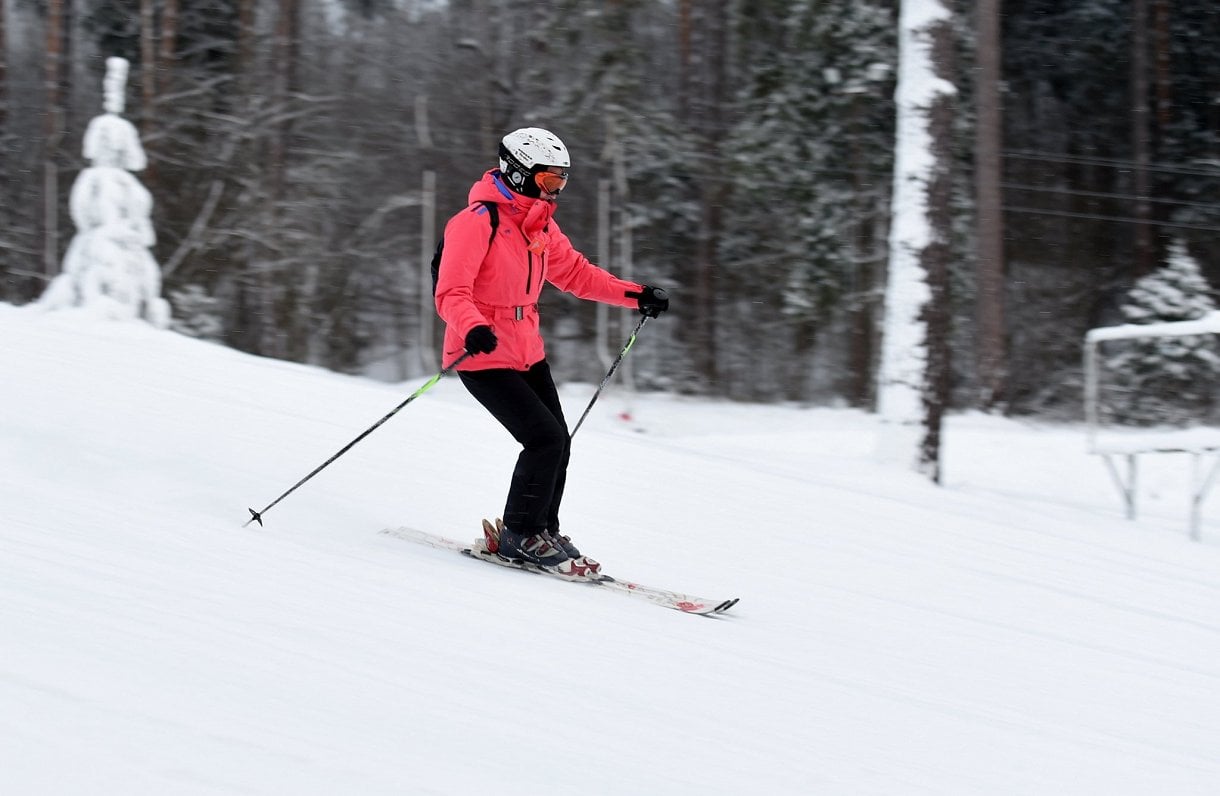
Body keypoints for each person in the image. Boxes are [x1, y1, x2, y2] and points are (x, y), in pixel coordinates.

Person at [434, 127, 669, 577]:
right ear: (518, 172)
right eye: (548, 180)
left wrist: (636, 295)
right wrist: (474, 327)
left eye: (561, 180)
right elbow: (451, 292)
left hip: (526, 350)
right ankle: (520, 536)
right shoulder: (477, 221)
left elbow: (577, 274)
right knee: (544, 439)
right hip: (481, 355)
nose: (555, 189)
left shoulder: (538, 223)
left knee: (558, 442)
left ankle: (541, 529)